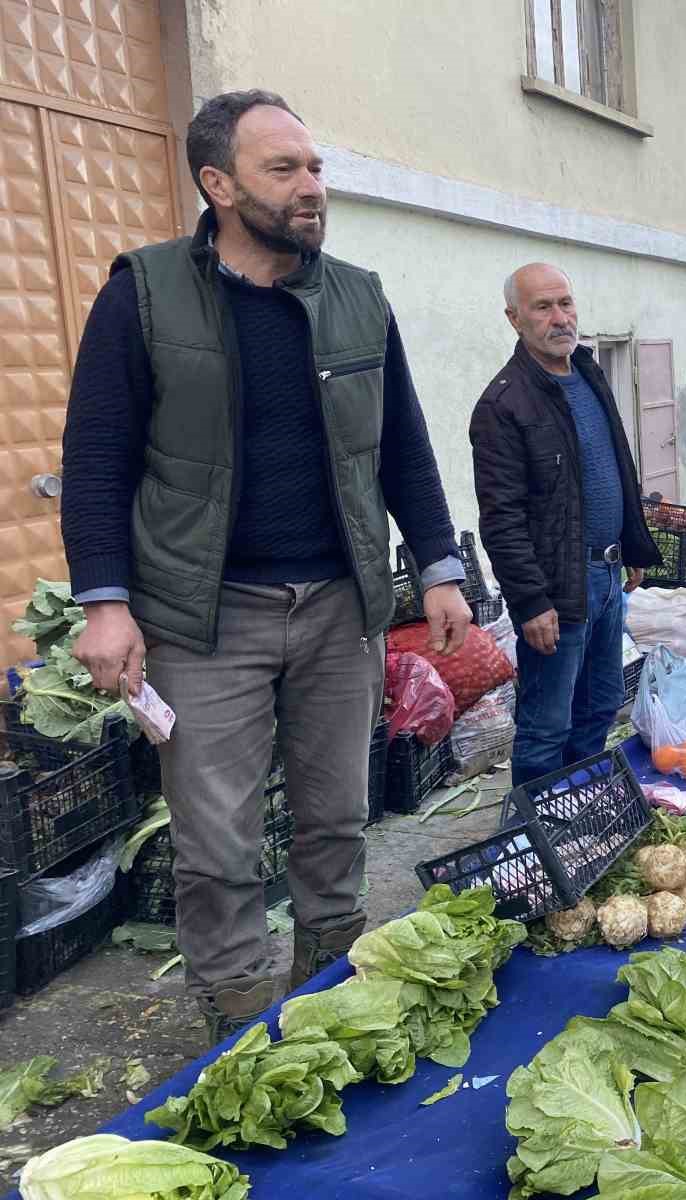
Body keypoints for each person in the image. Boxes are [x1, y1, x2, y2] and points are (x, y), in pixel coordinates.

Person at [60, 90, 472, 1040]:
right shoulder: (145, 291)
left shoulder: (359, 296)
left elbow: (402, 443)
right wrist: (105, 604)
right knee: (216, 847)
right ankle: (242, 1022)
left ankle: (329, 990)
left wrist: (441, 565)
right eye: (283, 171)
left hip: (338, 608)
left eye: (315, 168)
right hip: (205, 619)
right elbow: (97, 456)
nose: (310, 189)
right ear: (218, 183)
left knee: (337, 819)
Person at [470, 265, 662, 789]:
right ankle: (533, 837)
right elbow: (501, 516)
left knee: (600, 705)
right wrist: (531, 602)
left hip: (608, 574)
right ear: (514, 318)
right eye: (543, 307)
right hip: (559, 585)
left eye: (566, 304)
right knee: (546, 724)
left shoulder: (588, 373)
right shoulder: (503, 404)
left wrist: (635, 543)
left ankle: (576, 807)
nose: (560, 318)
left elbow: (617, 465)